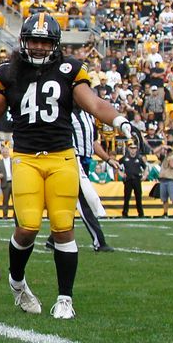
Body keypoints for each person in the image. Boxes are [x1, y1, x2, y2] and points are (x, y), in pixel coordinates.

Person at [0, 13, 135, 319]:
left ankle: (65, 298)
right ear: (24, 41)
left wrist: (120, 121)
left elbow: (95, 103)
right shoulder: (9, 74)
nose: (37, 47)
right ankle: (18, 283)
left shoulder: (69, 70)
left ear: (54, 44)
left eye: (44, 41)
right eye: (33, 40)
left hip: (62, 156)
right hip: (26, 158)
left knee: (64, 229)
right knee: (28, 229)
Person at [46, 106, 117, 253]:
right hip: (72, 161)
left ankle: (52, 239)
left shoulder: (88, 115)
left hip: (85, 162)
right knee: (84, 202)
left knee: (71, 204)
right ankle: (100, 241)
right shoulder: (65, 114)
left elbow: (93, 142)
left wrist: (108, 159)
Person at [120, 142, 148, 217]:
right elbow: (117, 166)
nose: (133, 150)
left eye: (134, 148)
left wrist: (145, 176)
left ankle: (141, 213)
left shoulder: (139, 158)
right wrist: (121, 174)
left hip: (137, 179)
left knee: (138, 197)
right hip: (128, 179)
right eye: (131, 148)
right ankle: (125, 213)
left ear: (136, 149)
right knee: (127, 197)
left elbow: (145, 167)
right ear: (129, 149)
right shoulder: (124, 158)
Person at [157, 147, 173, 218]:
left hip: (171, 180)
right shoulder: (164, 158)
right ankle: (165, 213)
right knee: (164, 199)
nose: (167, 153)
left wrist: (169, 158)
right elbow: (155, 152)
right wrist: (162, 147)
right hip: (163, 180)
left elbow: (172, 165)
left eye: (168, 152)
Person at [0, 145, 12, 219]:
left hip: (13, 183)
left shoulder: (13, 161)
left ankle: (16, 216)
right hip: (5, 183)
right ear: (2, 153)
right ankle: (5, 216)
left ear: (8, 152)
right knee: (5, 201)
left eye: (6, 151)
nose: (5, 153)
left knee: (16, 201)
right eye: (4, 151)